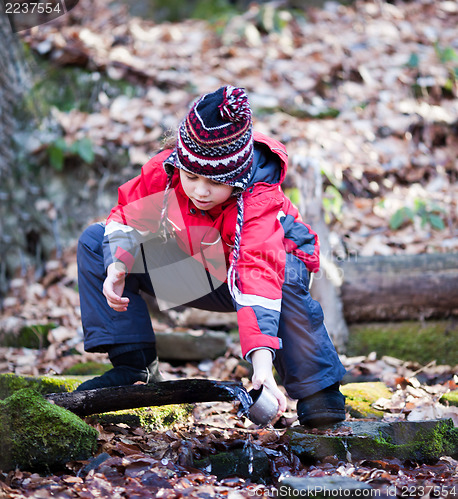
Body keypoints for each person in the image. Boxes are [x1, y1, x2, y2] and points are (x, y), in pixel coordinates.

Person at [76, 85, 346, 427]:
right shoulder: (167, 169)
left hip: (267, 278)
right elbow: (128, 214)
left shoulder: (257, 200)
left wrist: (261, 366)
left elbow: (257, 277)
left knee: (286, 273)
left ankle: (318, 390)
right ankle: (135, 368)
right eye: (192, 177)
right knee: (94, 239)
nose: (201, 191)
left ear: (238, 177)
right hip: (203, 266)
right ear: (180, 163)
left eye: (216, 183)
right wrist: (117, 263)